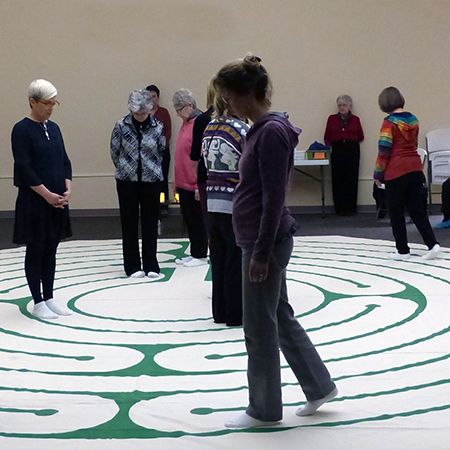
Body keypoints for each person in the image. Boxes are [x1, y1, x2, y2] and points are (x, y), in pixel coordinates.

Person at [214, 55, 337, 429]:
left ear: (248, 94)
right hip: (260, 238)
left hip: (263, 241)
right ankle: (319, 386)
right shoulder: (264, 128)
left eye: (229, 98)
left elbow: (272, 197)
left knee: (258, 327)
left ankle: (264, 410)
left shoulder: (269, 132)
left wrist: (260, 255)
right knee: (279, 317)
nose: (227, 106)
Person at [11, 79, 73, 319]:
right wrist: (47, 195)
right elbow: (24, 168)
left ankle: (49, 296)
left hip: (57, 202)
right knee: (36, 249)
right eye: (46, 103)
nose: (51, 107)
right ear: (32, 102)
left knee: (51, 249)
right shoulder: (21, 129)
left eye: (53, 103)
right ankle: (37, 301)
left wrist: (67, 188)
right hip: (35, 202)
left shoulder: (55, 128)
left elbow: (64, 161)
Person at [202, 85, 250, 326]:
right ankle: (235, 313)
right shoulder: (242, 129)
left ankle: (219, 311)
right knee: (235, 257)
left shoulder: (210, 127)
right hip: (234, 202)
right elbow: (250, 166)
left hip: (212, 200)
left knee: (218, 257)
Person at [374, 86, 440, 260]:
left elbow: (384, 150)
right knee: (418, 211)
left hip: (396, 171)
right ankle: (432, 245)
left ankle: (403, 250)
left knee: (396, 212)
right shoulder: (413, 119)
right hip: (415, 169)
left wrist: (378, 174)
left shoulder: (389, 122)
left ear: (385, 103)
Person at [110, 89, 166, 278]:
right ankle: (132, 266)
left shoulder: (158, 127)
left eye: (144, 113)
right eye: (137, 113)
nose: (141, 116)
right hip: (127, 182)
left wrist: (152, 170)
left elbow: (161, 151)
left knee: (151, 223)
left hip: (151, 182)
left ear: (150, 110)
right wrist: (127, 169)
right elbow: (114, 151)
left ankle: (151, 265)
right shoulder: (121, 126)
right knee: (129, 223)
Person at [172, 88, 208, 267]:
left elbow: (200, 156)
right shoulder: (186, 123)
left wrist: (197, 185)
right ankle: (195, 251)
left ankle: (201, 254)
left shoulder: (199, 123)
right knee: (189, 219)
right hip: (183, 181)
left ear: (189, 105)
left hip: (194, 183)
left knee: (197, 219)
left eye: (179, 109)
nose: (177, 114)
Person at [324, 95, 364, 215]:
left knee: (351, 178)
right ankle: (339, 209)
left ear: (350, 106)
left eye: (344, 105)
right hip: (337, 149)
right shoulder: (332, 119)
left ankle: (351, 209)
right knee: (338, 178)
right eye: (340, 105)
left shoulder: (355, 119)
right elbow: (327, 137)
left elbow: (361, 136)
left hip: (352, 149)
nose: (342, 107)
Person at [190, 81, 215, 217]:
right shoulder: (240, 119)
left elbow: (194, 155)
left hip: (206, 175)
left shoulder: (201, 120)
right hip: (232, 179)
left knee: (211, 223)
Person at [145, 84, 172, 214]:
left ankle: (163, 205)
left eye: (154, 96)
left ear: (158, 98)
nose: (152, 99)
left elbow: (168, 132)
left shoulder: (164, 112)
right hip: (147, 153)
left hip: (162, 152)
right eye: (149, 97)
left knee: (163, 178)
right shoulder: (142, 113)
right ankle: (151, 204)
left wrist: (162, 147)